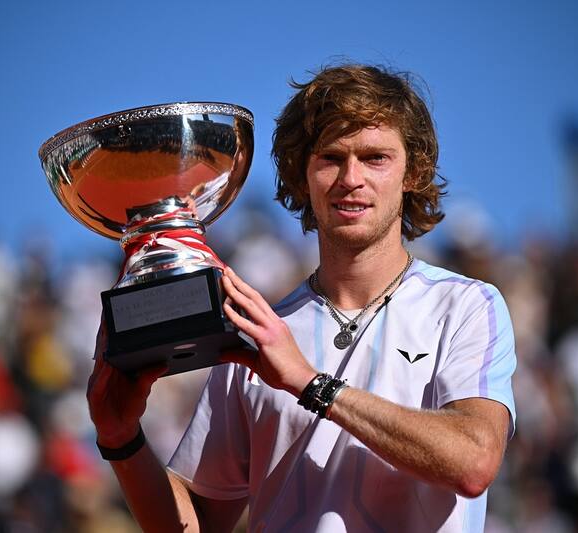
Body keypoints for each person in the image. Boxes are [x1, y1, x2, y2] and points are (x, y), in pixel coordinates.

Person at [87, 64, 517, 532]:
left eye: (375, 157)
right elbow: (200, 525)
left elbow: (473, 462)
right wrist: (121, 440)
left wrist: (311, 384)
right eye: (331, 157)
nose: (351, 178)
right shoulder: (254, 333)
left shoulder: (466, 306)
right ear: (302, 174)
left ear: (412, 172)